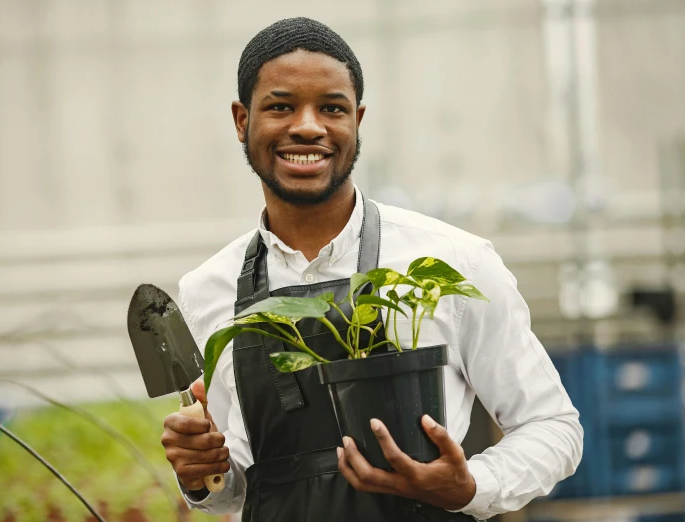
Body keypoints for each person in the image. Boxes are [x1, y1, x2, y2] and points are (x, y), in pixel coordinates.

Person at [160, 17, 583, 522]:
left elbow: (553, 425)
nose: (309, 126)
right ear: (241, 119)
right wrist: (204, 474)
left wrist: (471, 485)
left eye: (332, 108)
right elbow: (244, 489)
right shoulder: (208, 289)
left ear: (357, 121)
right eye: (281, 106)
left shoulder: (455, 260)